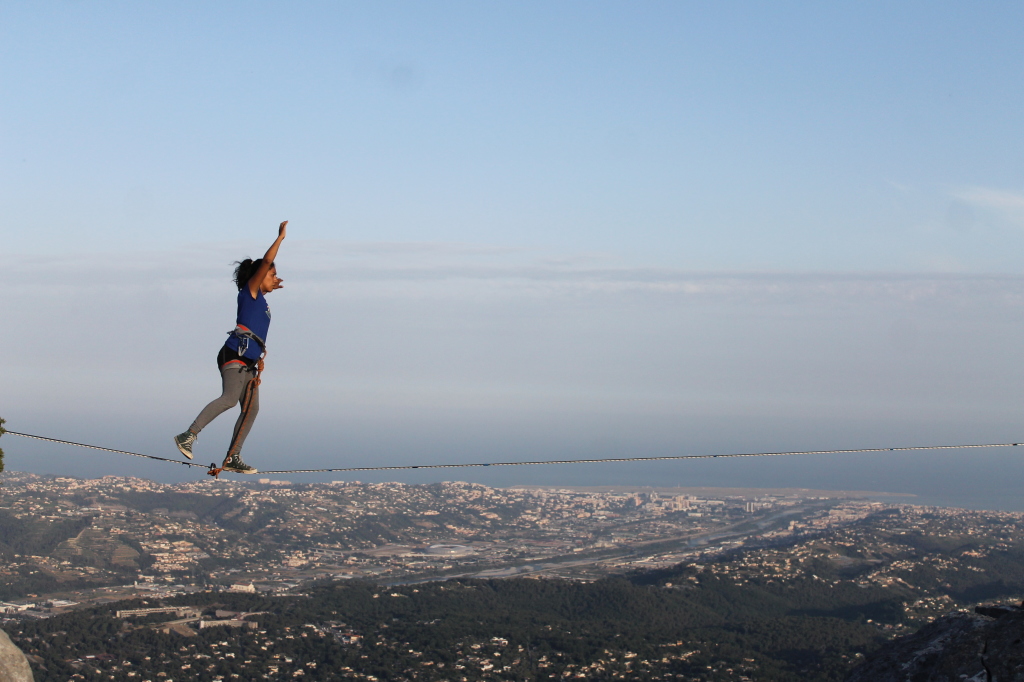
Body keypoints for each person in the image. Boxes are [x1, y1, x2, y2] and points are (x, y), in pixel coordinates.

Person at [173, 221, 288, 473]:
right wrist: (280, 239)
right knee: (229, 399)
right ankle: (188, 435)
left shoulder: (261, 302)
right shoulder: (249, 293)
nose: (275, 277)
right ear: (258, 276)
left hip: (248, 363)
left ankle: (233, 457)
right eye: (271, 274)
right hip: (234, 355)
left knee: (251, 409)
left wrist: (270, 283)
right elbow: (266, 263)